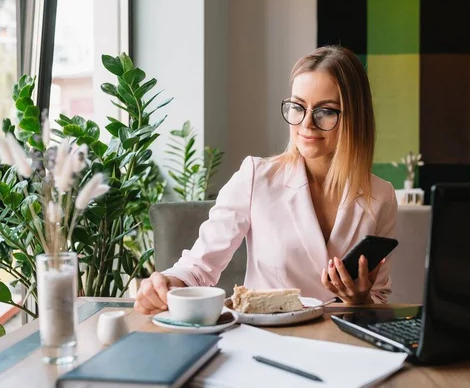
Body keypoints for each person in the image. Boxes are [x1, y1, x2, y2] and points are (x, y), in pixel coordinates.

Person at [134, 45, 398, 315]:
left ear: (355, 117)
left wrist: (360, 300)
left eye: (325, 111)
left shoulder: (381, 195)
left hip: (341, 341)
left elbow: (378, 296)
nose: (307, 123)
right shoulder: (255, 177)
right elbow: (200, 267)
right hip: (267, 338)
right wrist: (166, 282)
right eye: (298, 107)